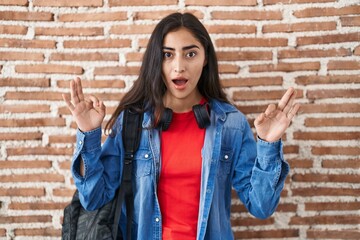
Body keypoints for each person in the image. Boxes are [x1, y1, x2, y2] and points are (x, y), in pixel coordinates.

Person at [62, 12, 300, 240]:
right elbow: (93, 199)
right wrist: (89, 134)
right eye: (168, 55)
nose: (179, 67)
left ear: (205, 58)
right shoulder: (132, 122)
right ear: (157, 60)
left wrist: (268, 144)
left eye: (190, 54)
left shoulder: (231, 125)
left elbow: (261, 206)